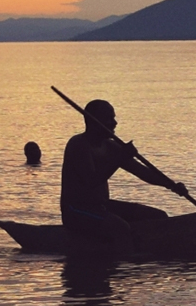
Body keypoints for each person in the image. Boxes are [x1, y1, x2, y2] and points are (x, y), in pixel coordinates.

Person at [60, 99, 189, 249]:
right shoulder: (79, 145)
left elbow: (143, 172)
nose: (114, 123)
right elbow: (91, 181)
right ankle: (124, 265)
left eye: (113, 118)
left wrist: (172, 186)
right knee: (119, 228)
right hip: (76, 210)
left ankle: (155, 252)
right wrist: (119, 158)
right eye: (109, 118)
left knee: (158, 216)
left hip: (102, 206)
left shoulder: (110, 146)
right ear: (94, 121)